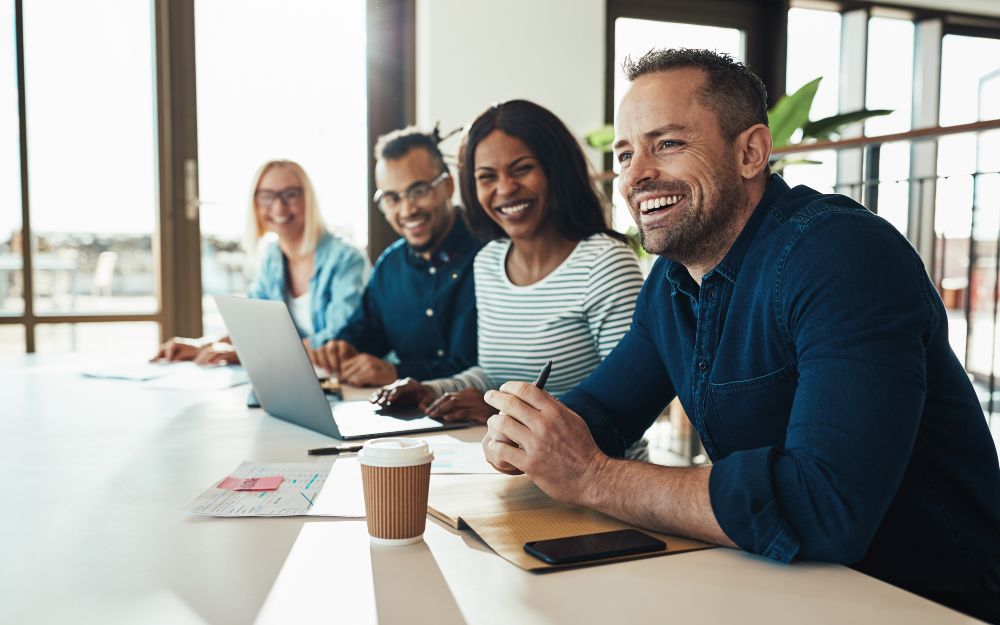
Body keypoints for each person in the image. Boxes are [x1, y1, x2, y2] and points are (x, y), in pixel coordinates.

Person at [481, 49, 1000, 618]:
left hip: (926, 599)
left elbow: (824, 507)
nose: (635, 174)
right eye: (625, 153)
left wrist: (592, 476)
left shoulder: (841, 255)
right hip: (781, 586)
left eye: (668, 144)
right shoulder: (671, 281)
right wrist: (530, 433)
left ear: (751, 151)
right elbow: (603, 412)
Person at [371, 100, 644, 431]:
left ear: (554, 169)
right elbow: (492, 375)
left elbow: (628, 403)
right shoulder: (488, 262)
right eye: (487, 177)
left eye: (522, 169)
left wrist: (506, 415)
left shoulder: (604, 263)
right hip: (509, 467)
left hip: (595, 476)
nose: (504, 188)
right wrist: (430, 389)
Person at [305, 127, 483, 386]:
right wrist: (343, 347)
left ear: (448, 186)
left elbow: (484, 369)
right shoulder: (390, 265)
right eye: (392, 198)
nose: (407, 210)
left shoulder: (490, 256)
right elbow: (367, 330)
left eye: (419, 191)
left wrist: (397, 373)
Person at [153, 159, 368, 365]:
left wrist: (245, 354)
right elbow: (253, 327)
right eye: (267, 196)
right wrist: (202, 345)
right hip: (297, 379)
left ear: (309, 199)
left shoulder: (346, 259)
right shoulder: (272, 257)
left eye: (290, 195)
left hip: (349, 383)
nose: (278, 207)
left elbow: (338, 342)